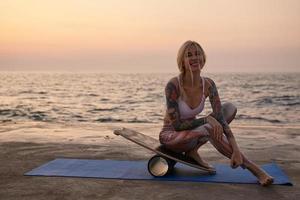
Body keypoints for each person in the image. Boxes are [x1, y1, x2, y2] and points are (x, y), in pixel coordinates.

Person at [159, 40, 274, 186]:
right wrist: (206, 120)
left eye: (197, 54)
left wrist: (236, 149)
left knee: (229, 109)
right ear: (182, 61)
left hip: (192, 134)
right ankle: (255, 170)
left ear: (203, 58)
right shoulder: (173, 85)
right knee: (209, 126)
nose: (194, 58)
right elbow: (177, 125)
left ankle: (193, 151)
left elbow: (221, 119)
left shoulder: (208, 84)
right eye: (189, 55)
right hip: (171, 136)